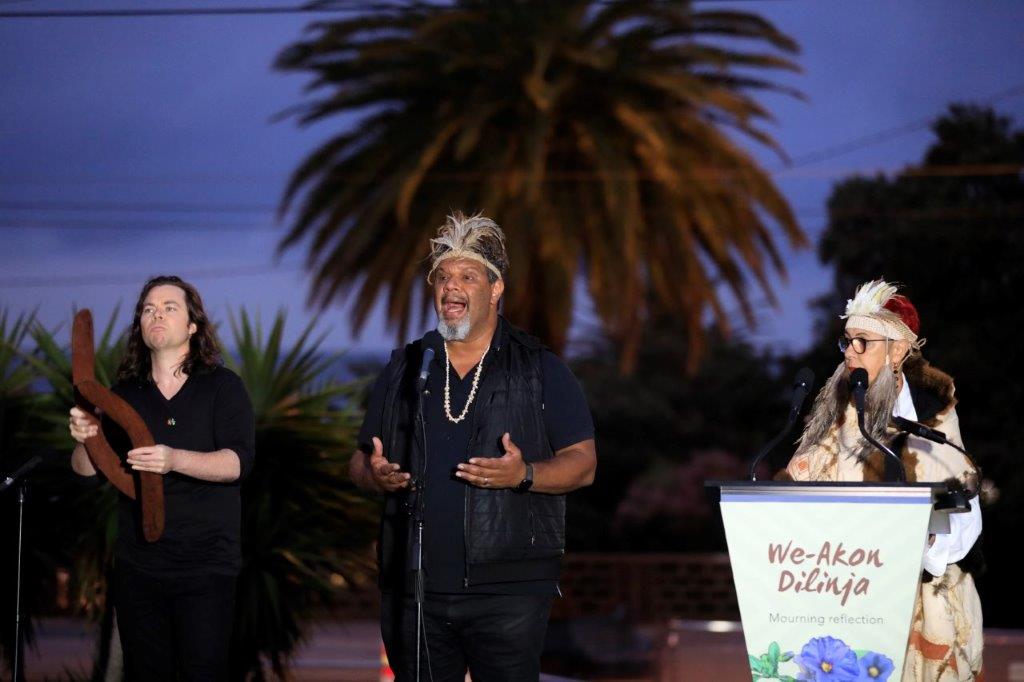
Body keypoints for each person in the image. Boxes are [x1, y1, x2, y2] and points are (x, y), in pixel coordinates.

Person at [350, 212, 597, 681]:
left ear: (495, 288)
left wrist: (522, 476)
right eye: (442, 278)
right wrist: (374, 474)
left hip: (509, 594)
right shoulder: (407, 368)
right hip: (414, 590)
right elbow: (360, 461)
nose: (450, 287)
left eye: (466, 276)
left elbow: (583, 464)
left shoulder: (540, 368)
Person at [782, 279, 983, 681]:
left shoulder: (934, 416)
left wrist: (925, 538)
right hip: (844, 593)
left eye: (863, 342)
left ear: (897, 349)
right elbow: (797, 496)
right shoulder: (832, 417)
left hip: (921, 601)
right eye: (847, 341)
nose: (850, 353)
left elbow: (968, 516)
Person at [68, 275, 255, 681]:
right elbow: (85, 474)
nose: (157, 314)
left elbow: (237, 463)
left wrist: (174, 459)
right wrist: (86, 439)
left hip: (206, 567)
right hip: (139, 568)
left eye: (170, 307)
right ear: (140, 327)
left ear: (192, 326)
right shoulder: (124, 395)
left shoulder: (223, 387)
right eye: (148, 309)